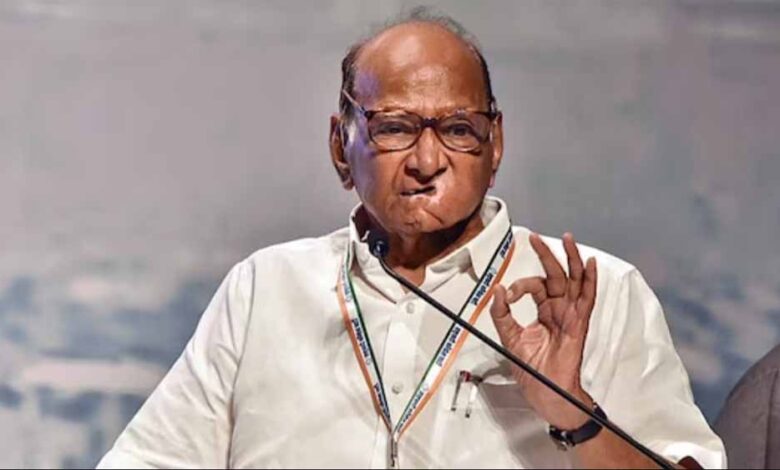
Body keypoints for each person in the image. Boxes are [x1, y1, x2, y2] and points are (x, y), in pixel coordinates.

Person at [97, 10, 725, 469]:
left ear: (495, 145)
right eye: (395, 127)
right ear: (340, 146)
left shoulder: (597, 292)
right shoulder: (266, 288)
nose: (428, 161)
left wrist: (574, 413)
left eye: (458, 129)